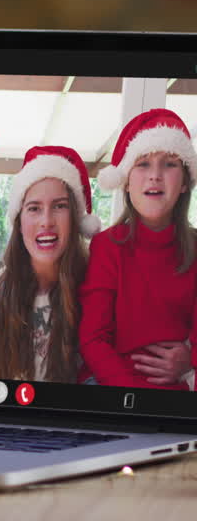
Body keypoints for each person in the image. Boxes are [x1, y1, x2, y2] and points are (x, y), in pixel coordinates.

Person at [80, 109, 197, 391]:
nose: (155, 176)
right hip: (113, 386)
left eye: (169, 164)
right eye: (143, 164)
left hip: (180, 387)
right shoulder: (107, 246)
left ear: (184, 183)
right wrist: (131, 395)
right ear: (127, 182)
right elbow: (93, 339)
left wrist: (190, 359)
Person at [0, 146, 99, 383]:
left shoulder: (98, 288)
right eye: (34, 208)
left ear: (75, 218)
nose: (46, 221)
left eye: (59, 206)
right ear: (19, 222)